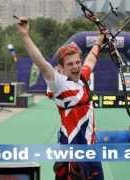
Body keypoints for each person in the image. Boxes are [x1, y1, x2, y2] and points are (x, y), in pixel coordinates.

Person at [16, 16, 107, 180]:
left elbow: (91, 59)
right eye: (70, 64)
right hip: (72, 155)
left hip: (92, 152)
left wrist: (100, 39)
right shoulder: (59, 85)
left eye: (77, 62)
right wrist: (25, 36)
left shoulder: (83, 78)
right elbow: (41, 63)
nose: (76, 66)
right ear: (61, 68)